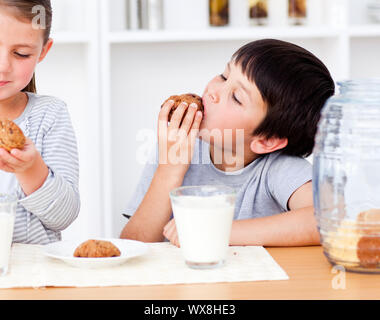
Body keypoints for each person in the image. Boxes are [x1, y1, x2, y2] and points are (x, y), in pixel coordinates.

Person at [120, 39, 335, 247]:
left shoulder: (277, 168)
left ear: (267, 141)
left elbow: (328, 220)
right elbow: (133, 246)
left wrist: (218, 230)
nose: (213, 91)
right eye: (224, 76)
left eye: (236, 98)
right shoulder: (175, 147)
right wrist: (169, 171)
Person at [0, 0, 80, 244]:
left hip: (36, 275)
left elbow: (64, 216)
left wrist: (31, 170)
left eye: (21, 54)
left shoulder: (49, 115)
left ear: (43, 51)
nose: (3, 66)